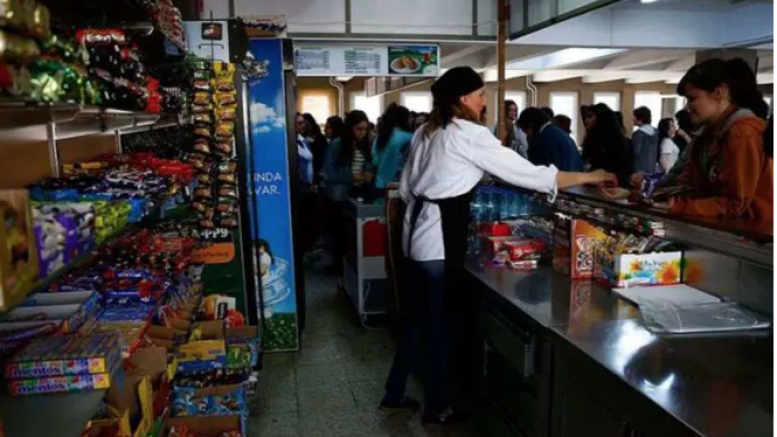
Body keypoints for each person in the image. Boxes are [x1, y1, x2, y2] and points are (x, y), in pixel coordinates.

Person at [380, 66, 615, 424]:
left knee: (416, 321)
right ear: (463, 98)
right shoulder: (470, 134)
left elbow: (408, 187)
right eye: (479, 95)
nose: (483, 101)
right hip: (439, 239)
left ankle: (394, 394)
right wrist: (590, 175)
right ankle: (437, 407)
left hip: (417, 236)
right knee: (442, 325)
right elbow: (529, 174)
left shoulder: (427, 131)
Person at [657, 58, 772, 219]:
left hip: (746, 231)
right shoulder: (706, 135)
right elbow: (687, 184)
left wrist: (682, 207)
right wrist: (652, 196)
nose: (687, 107)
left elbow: (734, 204)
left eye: (692, 99)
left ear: (718, 93)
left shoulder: (742, 134)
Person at [321, 110, 374, 202]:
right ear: (350, 128)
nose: (362, 133)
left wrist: (368, 174)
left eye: (365, 129)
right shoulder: (337, 144)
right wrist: (354, 176)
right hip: (339, 192)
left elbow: (369, 167)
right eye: (359, 129)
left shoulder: (367, 144)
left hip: (360, 190)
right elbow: (328, 172)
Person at [581, 103, 633, 186]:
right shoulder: (592, 138)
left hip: (612, 184)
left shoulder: (614, 140)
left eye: (590, 116)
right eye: (586, 117)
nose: (586, 120)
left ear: (601, 119)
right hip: (596, 182)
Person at [519, 107, 583, 171]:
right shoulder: (557, 133)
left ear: (531, 124)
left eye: (525, 131)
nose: (527, 135)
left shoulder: (545, 139)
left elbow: (540, 169)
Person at [373, 103, 414, 189]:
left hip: (379, 183)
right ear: (403, 119)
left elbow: (375, 160)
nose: (411, 120)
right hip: (398, 183)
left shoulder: (380, 136)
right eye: (409, 117)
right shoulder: (409, 137)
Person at [302, 113, 329, 183]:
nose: (305, 126)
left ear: (312, 123)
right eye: (303, 124)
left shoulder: (320, 138)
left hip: (319, 167)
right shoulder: (301, 138)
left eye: (307, 124)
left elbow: (323, 156)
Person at [631, 106, 659, 174]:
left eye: (634, 116)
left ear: (640, 118)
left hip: (639, 170)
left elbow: (636, 153)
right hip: (652, 169)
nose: (633, 119)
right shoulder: (656, 131)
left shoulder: (638, 134)